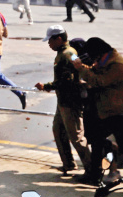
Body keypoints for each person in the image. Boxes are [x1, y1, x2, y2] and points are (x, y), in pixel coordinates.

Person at [73, 38, 123, 195]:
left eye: (93, 56)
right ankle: (95, 175)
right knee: (97, 139)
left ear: (99, 53)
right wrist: (87, 68)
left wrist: (81, 69)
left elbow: (100, 81)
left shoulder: (116, 64)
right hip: (113, 108)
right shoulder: (107, 60)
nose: (92, 60)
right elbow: (98, 74)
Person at [34, 25, 90, 175]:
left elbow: (67, 80)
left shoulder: (68, 54)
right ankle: (68, 164)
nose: (49, 44)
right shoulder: (64, 53)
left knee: (76, 137)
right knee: (59, 131)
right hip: (63, 101)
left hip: (70, 101)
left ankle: (93, 169)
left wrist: (47, 86)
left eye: (50, 41)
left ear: (59, 39)